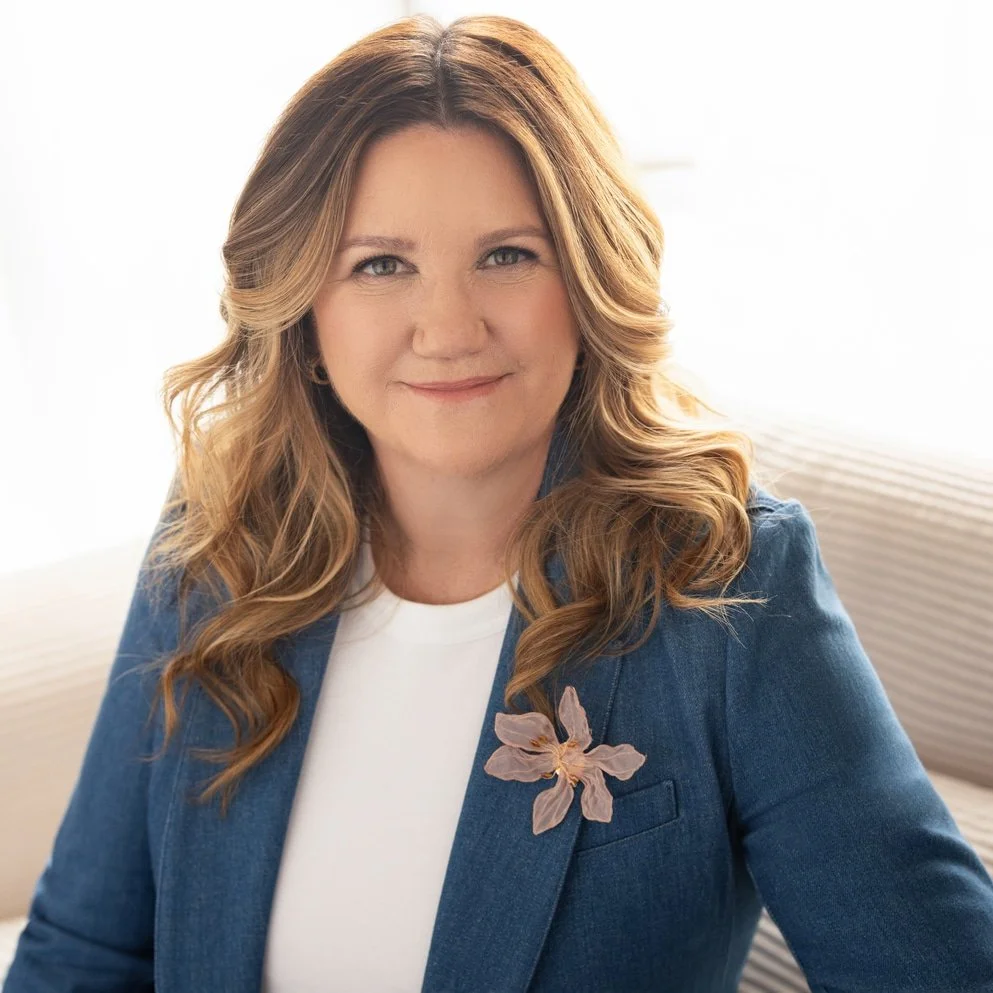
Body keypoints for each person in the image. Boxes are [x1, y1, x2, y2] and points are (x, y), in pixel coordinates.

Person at [5, 13, 993, 993]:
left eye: (508, 255)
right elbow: (84, 955)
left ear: (589, 279)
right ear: (304, 310)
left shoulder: (729, 585)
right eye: (380, 264)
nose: (448, 327)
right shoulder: (219, 543)